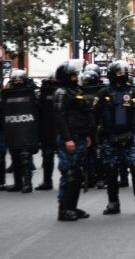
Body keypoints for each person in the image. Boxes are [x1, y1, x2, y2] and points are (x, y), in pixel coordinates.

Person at [95, 61, 135, 215]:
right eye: (119, 73)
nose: (122, 75)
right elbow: (94, 116)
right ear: (112, 75)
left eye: (124, 73)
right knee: (111, 171)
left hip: (130, 137)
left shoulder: (133, 93)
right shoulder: (103, 93)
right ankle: (113, 203)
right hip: (109, 137)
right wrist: (93, 136)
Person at [54, 60, 93, 221]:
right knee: (69, 173)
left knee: (77, 174)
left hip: (81, 137)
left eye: (76, 74)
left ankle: (73, 207)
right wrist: (67, 139)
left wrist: (87, 135)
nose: (75, 77)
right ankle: (64, 209)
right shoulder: (61, 92)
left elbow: (84, 114)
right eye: (72, 75)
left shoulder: (77, 90)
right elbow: (59, 117)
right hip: (69, 140)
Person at [2, 69, 40, 193]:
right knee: (15, 158)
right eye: (15, 80)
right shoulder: (6, 94)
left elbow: (38, 110)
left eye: (20, 80)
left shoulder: (32, 93)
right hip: (13, 129)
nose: (18, 82)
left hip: (27, 130)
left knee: (25, 158)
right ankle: (18, 183)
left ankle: (27, 183)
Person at [36, 76, 57, 191]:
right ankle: (47, 181)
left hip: (50, 131)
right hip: (51, 131)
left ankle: (47, 181)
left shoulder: (44, 93)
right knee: (48, 158)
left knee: (48, 158)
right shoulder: (43, 93)